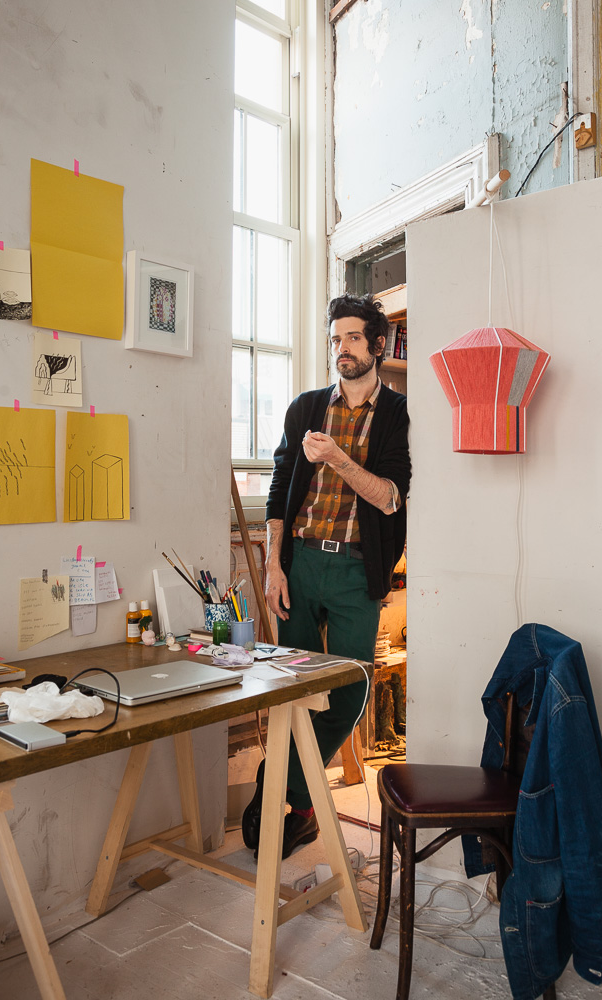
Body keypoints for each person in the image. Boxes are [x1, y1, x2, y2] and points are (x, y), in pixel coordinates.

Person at [242, 292, 411, 858]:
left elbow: (390, 497)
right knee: (293, 689)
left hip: (358, 568)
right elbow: (278, 489)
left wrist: (338, 458)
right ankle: (305, 810)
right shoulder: (306, 407)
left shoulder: (397, 415)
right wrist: (273, 565)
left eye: (354, 338)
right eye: (336, 338)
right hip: (300, 562)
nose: (342, 348)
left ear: (378, 346)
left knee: (351, 687)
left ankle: (277, 785)